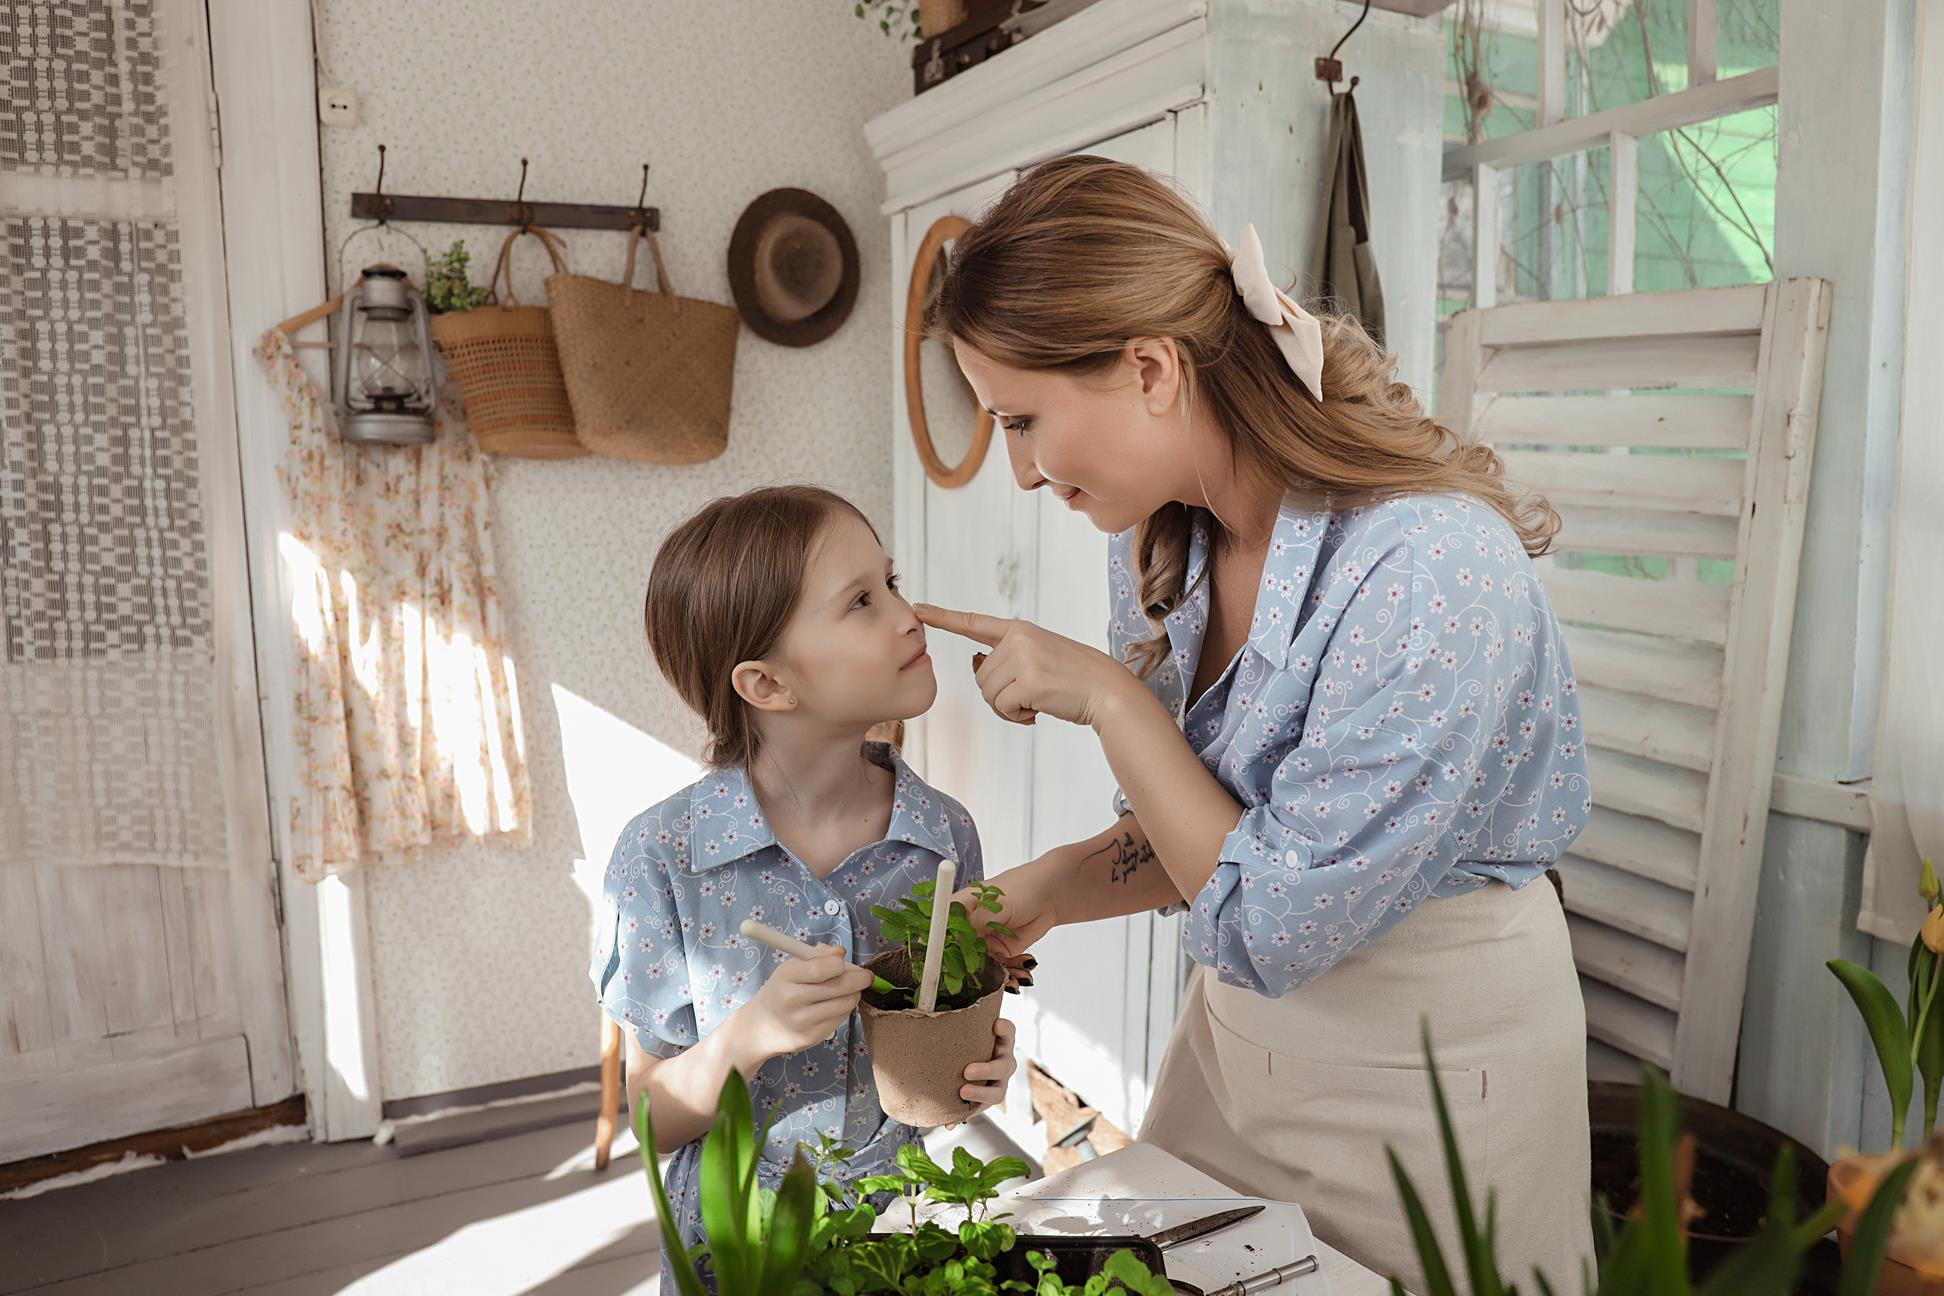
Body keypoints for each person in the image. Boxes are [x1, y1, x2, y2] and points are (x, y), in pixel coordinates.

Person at [916, 154, 1593, 1292]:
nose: (1023, 472)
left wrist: (1110, 697)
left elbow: (1271, 920)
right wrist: (1048, 891)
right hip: (1239, 1053)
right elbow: (1212, 845)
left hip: (1431, 1074)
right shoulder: (1168, 539)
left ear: (1150, 368)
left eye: (1024, 422)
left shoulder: (1426, 570)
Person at [590, 485, 1017, 1282]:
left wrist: (977, 1068)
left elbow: (943, 1046)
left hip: (903, 1239)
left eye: (891, 582)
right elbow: (649, 1120)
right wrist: (750, 1035)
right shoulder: (660, 858)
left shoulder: (943, 837)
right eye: (861, 601)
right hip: (737, 1260)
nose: (908, 616)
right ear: (767, 685)